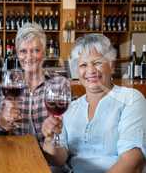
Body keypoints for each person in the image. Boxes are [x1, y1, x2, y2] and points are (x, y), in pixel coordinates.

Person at [42, 34, 146, 173]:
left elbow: (132, 162)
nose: (90, 70)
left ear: (112, 66)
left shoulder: (131, 99)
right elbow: (59, 159)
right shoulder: (71, 108)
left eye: (97, 63)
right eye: (83, 65)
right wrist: (49, 138)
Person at [0, 23, 49, 148]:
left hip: (50, 158)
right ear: (17, 54)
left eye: (36, 50)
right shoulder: (10, 83)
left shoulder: (58, 83)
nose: (29, 57)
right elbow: (0, 123)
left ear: (44, 52)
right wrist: (5, 118)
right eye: (23, 51)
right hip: (19, 156)